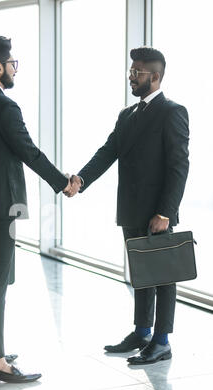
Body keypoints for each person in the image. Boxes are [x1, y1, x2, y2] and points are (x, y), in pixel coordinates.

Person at [0, 35, 71, 383]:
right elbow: (29, 151)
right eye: (12, 64)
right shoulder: (6, 108)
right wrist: (62, 182)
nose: (13, 69)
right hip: (2, 209)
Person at [65, 47, 189, 365]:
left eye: (137, 73)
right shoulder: (127, 115)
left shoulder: (173, 111)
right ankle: (142, 331)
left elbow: (179, 166)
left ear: (156, 77)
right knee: (141, 274)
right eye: (131, 71)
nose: (131, 78)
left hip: (157, 213)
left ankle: (162, 341)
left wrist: (166, 211)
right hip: (131, 209)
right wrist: (81, 180)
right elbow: (108, 151)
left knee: (163, 276)